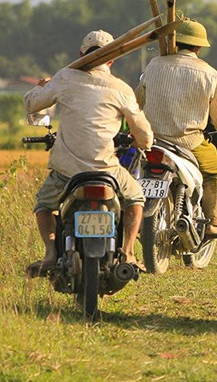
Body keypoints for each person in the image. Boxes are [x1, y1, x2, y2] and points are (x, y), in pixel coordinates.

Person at [24, 30, 154, 276]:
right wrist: (143, 143)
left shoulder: (64, 78)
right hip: (107, 170)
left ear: (80, 55)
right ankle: (128, 252)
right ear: (112, 60)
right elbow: (144, 132)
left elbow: (33, 105)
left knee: (44, 205)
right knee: (136, 198)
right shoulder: (121, 88)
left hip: (67, 171)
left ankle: (51, 254)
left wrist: (41, 88)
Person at [136, 19, 217, 239]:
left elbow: (138, 101)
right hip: (188, 143)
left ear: (175, 43)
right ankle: (213, 224)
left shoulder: (154, 64)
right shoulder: (209, 74)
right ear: (198, 47)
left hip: (153, 140)